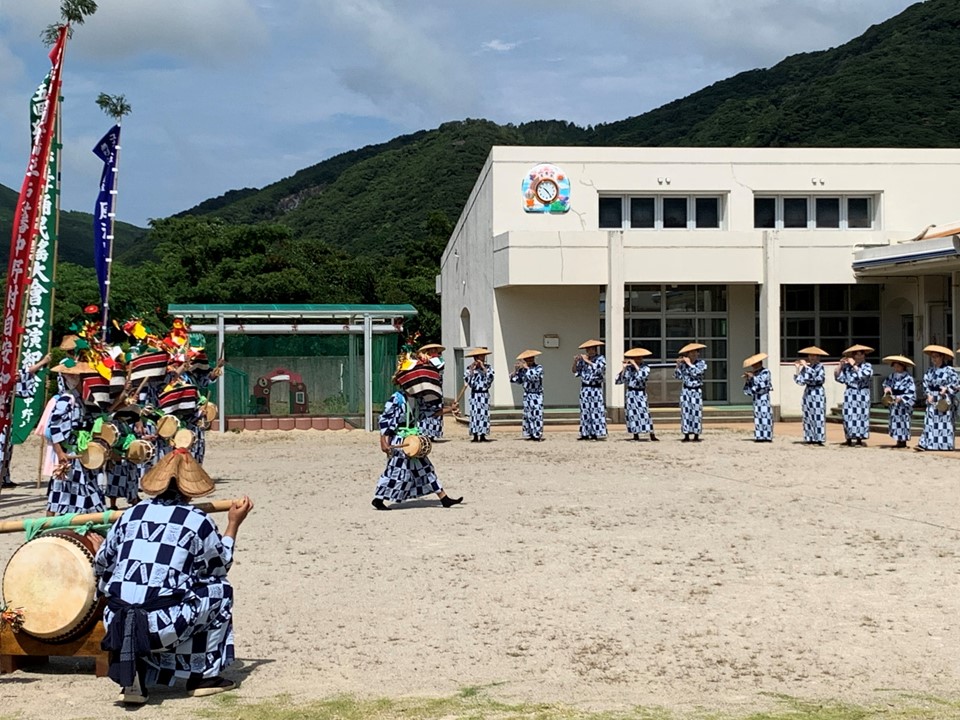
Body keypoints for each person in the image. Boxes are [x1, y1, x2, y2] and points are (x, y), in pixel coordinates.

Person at [94, 449, 253, 704]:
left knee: (132, 593)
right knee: (220, 590)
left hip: (117, 620)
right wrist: (233, 523)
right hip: (160, 626)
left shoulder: (131, 514)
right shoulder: (197, 520)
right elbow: (220, 565)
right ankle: (203, 677)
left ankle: (136, 670)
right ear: (190, 491)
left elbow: (102, 562)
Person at [372, 356, 462, 510]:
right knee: (396, 471)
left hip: (413, 438)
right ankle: (378, 499)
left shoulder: (419, 399)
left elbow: (431, 412)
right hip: (400, 440)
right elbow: (386, 420)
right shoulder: (396, 399)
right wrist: (383, 440)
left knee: (425, 469)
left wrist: (450, 409)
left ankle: (444, 498)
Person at [46, 358, 106, 515]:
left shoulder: (81, 399)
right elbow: (54, 428)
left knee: (84, 487)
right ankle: (47, 524)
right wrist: (60, 452)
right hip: (71, 450)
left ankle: (88, 518)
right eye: (70, 376)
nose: (74, 378)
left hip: (82, 449)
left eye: (76, 375)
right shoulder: (66, 400)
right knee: (61, 488)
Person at [1, 353, 51, 488]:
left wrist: (42, 367)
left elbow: (25, 374)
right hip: (2, 415)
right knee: (2, 448)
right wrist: (43, 362)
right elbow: (25, 373)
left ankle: (4, 477)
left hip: (8, 415)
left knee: (7, 448)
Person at [916, 344, 958, 452]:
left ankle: (945, 445)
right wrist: (928, 394)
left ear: (942, 357)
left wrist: (947, 388)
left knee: (945, 423)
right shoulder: (929, 371)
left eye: (936, 356)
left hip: (944, 398)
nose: (934, 359)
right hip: (932, 397)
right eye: (932, 357)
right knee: (929, 421)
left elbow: (957, 384)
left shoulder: (950, 370)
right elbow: (925, 384)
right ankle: (925, 444)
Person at [834, 344, 874, 447]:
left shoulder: (867, 366)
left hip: (862, 393)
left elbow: (864, 376)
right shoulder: (847, 367)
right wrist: (840, 365)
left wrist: (854, 366)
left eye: (861, 354)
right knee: (848, 415)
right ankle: (848, 438)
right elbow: (839, 378)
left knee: (861, 416)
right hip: (850, 393)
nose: (859, 357)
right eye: (857, 355)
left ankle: (859, 439)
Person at [615, 347, 657, 441]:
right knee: (632, 414)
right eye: (635, 358)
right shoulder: (629, 368)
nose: (637, 360)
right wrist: (624, 369)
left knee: (644, 413)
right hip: (631, 393)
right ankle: (635, 434)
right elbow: (619, 380)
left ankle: (651, 433)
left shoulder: (645, 367)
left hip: (640, 392)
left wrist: (635, 365)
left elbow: (642, 376)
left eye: (639, 358)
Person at [792, 346, 828, 446]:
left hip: (817, 391)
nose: (812, 357)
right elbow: (800, 381)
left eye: (814, 355)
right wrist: (797, 369)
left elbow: (818, 378)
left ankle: (819, 438)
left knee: (818, 415)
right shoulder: (806, 368)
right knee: (807, 415)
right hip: (808, 391)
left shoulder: (820, 366)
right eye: (810, 355)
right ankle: (809, 437)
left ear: (818, 357)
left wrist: (806, 367)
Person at [572, 339, 607, 440]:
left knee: (596, 411)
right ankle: (585, 433)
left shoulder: (601, 358)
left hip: (595, 388)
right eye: (588, 350)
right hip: (585, 388)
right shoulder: (583, 360)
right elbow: (575, 371)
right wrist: (575, 362)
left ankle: (596, 432)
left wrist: (587, 361)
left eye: (592, 349)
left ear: (595, 350)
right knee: (585, 411)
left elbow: (599, 369)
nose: (590, 351)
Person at [881, 355, 917, 449]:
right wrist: (887, 388)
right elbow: (886, 383)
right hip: (894, 400)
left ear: (903, 366)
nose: (896, 368)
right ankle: (898, 440)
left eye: (898, 366)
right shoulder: (892, 376)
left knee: (903, 421)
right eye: (895, 366)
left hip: (903, 403)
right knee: (895, 420)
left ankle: (903, 441)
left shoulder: (908, 378)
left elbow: (911, 390)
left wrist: (902, 398)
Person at [674, 342, 707, 442]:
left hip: (696, 390)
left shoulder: (701, 363)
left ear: (698, 353)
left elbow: (698, 373)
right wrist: (678, 366)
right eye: (690, 353)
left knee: (696, 412)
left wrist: (689, 364)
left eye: (695, 352)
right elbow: (678, 376)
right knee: (685, 412)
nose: (693, 355)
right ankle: (686, 434)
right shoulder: (683, 365)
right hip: (686, 390)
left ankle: (696, 434)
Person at [509, 349, 544, 441]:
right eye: (527, 359)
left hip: (536, 394)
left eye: (531, 358)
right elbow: (515, 380)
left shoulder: (538, 368)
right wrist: (516, 371)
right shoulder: (523, 370)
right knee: (528, 415)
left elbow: (534, 377)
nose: (530, 360)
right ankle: (530, 433)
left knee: (537, 414)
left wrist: (528, 368)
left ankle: (537, 434)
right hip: (527, 395)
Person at [416, 343, 446, 441]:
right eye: (431, 350)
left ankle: (433, 434)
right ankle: (424, 432)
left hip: (436, 388)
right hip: (424, 388)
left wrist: (428, 361)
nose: (433, 352)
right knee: (424, 411)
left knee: (435, 410)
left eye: (434, 350)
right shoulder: (422, 360)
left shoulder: (440, 360)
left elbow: (438, 367)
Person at [463, 348, 494, 442]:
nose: (482, 358)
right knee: (474, 414)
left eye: (483, 356)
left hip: (484, 394)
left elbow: (490, 378)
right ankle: (475, 435)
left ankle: (483, 435)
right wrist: (472, 371)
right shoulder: (469, 368)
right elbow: (468, 381)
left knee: (483, 415)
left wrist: (483, 368)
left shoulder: (488, 368)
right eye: (480, 357)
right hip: (474, 394)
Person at [742, 352, 773, 442]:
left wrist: (753, 377)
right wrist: (748, 379)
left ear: (759, 363)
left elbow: (762, 383)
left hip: (764, 397)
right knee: (758, 416)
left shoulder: (765, 372)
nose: (753, 366)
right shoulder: (755, 373)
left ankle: (767, 436)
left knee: (765, 416)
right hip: (756, 398)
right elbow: (751, 387)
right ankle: (759, 436)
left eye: (755, 364)